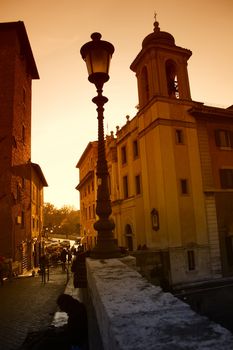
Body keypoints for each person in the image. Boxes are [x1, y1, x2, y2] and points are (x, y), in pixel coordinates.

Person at [19, 293, 89, 350]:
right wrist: (60, 329)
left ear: (65, 304)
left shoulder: (75, 314)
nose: (62, 310)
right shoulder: (75, 308)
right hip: (70, 337)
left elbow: (73, 337)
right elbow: (72, 329)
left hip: (72, 343)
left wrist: (60, 333)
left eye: (61, 307)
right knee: (44, 334)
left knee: (45, 341)